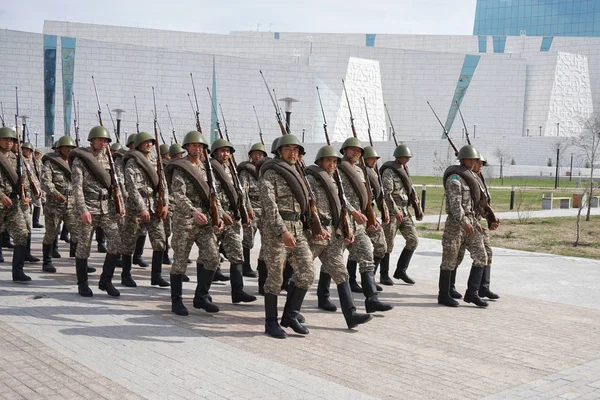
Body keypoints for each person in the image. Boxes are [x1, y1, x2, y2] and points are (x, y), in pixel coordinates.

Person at [259, 135, 319, 338]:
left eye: (295, 149)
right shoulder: (270, 172)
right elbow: (269, 205)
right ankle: (271, 323)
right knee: (275, 278)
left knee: (308, 271)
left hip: (298, 228)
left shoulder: (298, 172)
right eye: (287, 149)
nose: (292, 153)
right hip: (277, 230)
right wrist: (282, 230)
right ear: (278, 151)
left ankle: (290, 316)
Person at [307, 145, 373, 328]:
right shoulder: (310, 180)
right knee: (303, 273)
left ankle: (351, 316)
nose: (332, 164)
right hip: (316, 235)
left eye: (335, 161)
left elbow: (341, 205)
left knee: (341, 273)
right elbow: (307, 207)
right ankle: (290, 313)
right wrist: (317, 226)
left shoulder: (334, 180)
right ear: (320, 161)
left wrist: (346, 230)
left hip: (332, 235)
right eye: (328, 160)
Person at [166, 130, 223, 316]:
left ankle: (201, 296)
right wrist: (193, 211)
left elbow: (214, 195)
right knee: (180, 261)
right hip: (185, 219)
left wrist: (219, 216)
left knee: (213, 257)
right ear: (186, 147)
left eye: (201, 146)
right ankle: (176, 301)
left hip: (205, 220)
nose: (198, 148)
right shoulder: (181, 168)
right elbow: (178, 194)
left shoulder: (207, 168)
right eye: (194, 145)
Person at [338, 138, 393, 313]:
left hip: (359, 222)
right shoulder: (337, 169)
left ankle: (372, 299)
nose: (355, 153)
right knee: (333, 260)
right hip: (342, 220)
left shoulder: (361, 172)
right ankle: (323, 295)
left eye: (358, 151)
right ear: (345, 150)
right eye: (352, 150)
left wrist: (371, 216)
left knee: (367, 253)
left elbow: (366, 197)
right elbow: (337, 194)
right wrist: (352, 211)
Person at [70, 126, 125, 297]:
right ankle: (83, 283)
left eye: (106, 141)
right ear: (92, 140)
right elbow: (77, 188)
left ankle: (106, 281)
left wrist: (119, 206)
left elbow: (116, 186)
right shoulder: (82, 161)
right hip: (89, 207)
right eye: (100, 140)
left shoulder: (110, 160)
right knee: (84, 246)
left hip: (107, 209)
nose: (103, 143)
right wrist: (83, 210)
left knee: (116, 243)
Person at [437, 145, 488, 308]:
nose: (475, 162)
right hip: (455, 225)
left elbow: (474, 203)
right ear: (464, 160)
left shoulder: (473, 177)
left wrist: (476, 221)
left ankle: (472, 293)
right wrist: (464, 221)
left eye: (475, 160)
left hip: (471, 223)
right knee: (449, 260)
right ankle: (443, 294)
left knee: (481, 256)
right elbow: (455, 205)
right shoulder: (455, 179)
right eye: (472, 159)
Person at [120, 131, 170, 288]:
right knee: (129, 242)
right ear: (139, 144)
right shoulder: (132, 163)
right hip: (137, 208)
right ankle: (126, 275)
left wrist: (166, 203)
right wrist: (142, 208)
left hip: (155, 206)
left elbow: (164, 184)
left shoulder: (156, 161)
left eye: (151, 142)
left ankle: (156, 276)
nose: (149, 145)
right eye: (146, 142)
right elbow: (132, 188)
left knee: (160, 241)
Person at [210, 139, 256, 304]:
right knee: (209, 256)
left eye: (228, 151)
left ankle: (238, 291)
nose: (225, 154)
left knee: (237, 254)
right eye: (222, 151)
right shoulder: (209, 169)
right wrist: (221, 213)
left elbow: (240, 193)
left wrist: (246, 210)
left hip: (233, 218)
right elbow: (208, 195)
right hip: (215, 218)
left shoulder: (231, 169)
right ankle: (203, 293)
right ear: (215, 152)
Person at [455, 152, 500, 300]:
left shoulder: (478, 179)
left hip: (477, 222)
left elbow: (484, 203)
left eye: (481, 163)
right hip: (467, 222)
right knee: (456, 256)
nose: (480, 165)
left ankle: (483, 288)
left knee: (487, 253)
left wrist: (491, 218)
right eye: (478, 162)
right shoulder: (465, 178)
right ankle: (451, 288)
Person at [380, 144, 422, 285]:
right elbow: (386, 193)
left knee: (413, 240)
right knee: (388, 244)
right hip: (393, 212)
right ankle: (383, 275)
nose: (406, 159)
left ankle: (401, 270)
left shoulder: (405, 170)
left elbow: (411, 190)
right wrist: (395, 210)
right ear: (398, 157)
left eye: (408, 157)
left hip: (405, 211)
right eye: (404, 157)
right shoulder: (389, 171)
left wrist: (418, 208)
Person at [41, 136, 80, 273]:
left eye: (71, 148)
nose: (69, 150)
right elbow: (46, 182)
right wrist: (55, 193)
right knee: (51, 234)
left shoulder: (76, 163)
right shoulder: (51, 163)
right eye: (66, 147)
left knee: (78, 234)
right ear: (59, 148)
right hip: (54, 205)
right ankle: (47, 261)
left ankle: (81, 263)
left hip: (72, 205)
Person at [0, 127, 31, 281]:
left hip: (14, 204)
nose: (8, 142)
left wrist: (27, 196)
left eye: (11, 140)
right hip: (0, 201)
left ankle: (17, 272)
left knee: (22, 234)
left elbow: (26, 180)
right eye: (5, 139)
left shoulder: (17, 159)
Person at [238, 142, 267, 278]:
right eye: (255, 153)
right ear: (250, 155)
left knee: (267, 240)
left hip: (265, 210)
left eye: (260, 154)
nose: (258, 156)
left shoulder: (266, 171)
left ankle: (262, 267)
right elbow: (243, 192)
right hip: (252, 209)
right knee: (248, 239)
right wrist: (248, 208)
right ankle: (246, 266)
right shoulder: (246, 172)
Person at [362, 146, 389, 289]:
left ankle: (370, 279)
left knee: (381, 246)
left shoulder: (373, 173)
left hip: (371, 213)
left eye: (375, 159)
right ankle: (352, 280)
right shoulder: (360, 173)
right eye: (371, 158)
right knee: (356, 251)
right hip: (360, 216)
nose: (373, 161)